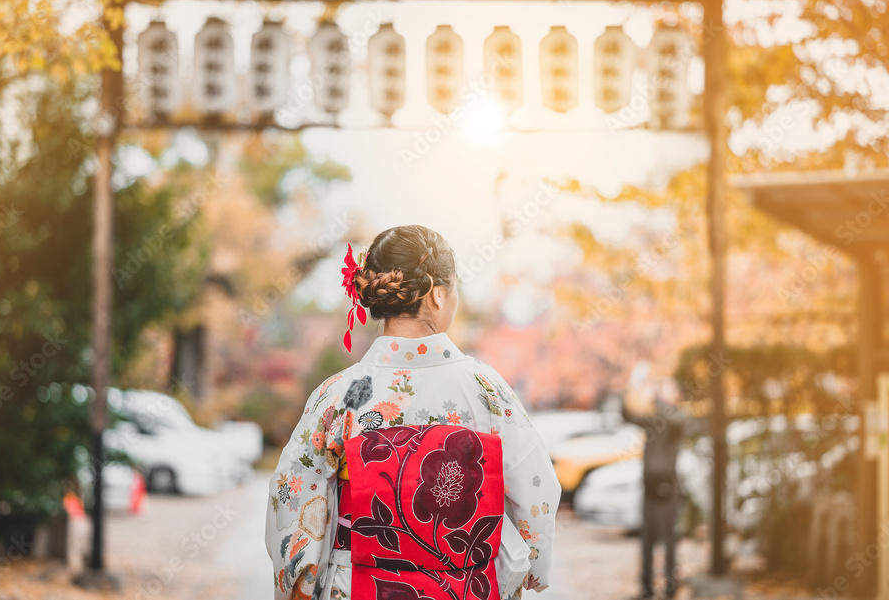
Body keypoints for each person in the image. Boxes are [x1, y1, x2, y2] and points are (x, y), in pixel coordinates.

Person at [266, 225, 560, 600]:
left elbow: (292, 494)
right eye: (455, 288)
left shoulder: (338, 395)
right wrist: (530, 566)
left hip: (356, 584)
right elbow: (537, 489)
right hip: (466, 585)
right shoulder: (487, 391)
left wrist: (301, 585)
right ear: (438, 294)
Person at [621, 376, 691, 600]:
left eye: (667, 389)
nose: (661, 393)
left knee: (669, 540)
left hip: (667, 487)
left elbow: (671, 418)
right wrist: (630, 389)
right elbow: (628, 416)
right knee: (647, 540)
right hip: (649, 486)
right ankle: (646, 587)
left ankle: (671, 587)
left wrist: (655, 398)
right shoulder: (654, 418)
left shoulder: (678, 417)